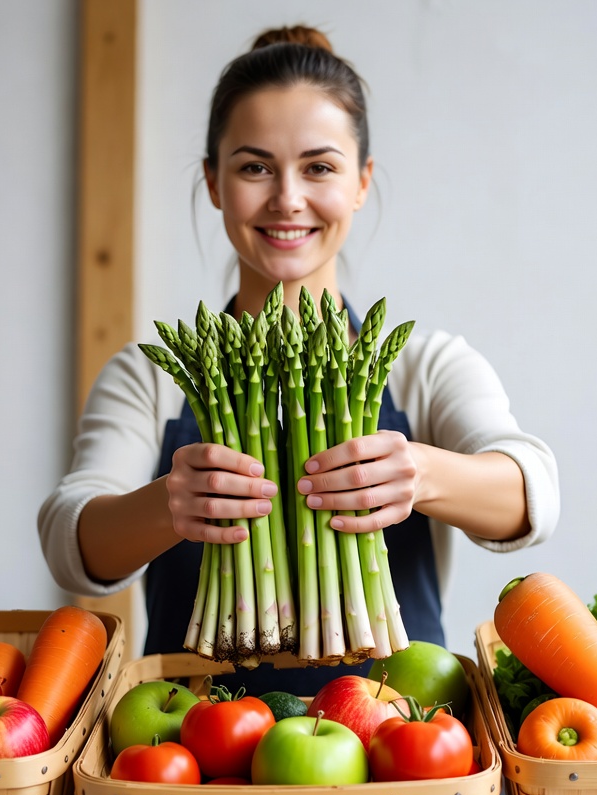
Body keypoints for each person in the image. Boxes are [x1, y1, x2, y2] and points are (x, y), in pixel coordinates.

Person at [38, 25, 560, 695]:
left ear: (362, 181)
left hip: (399, 741)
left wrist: (421, 473)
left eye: (319, 167)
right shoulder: (153, 374)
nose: (287, 197)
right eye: (255, 167)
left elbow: (533, 494)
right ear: (214, 181)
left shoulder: (422, 365)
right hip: (197, 746)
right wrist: (168, 505)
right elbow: (69, 541)